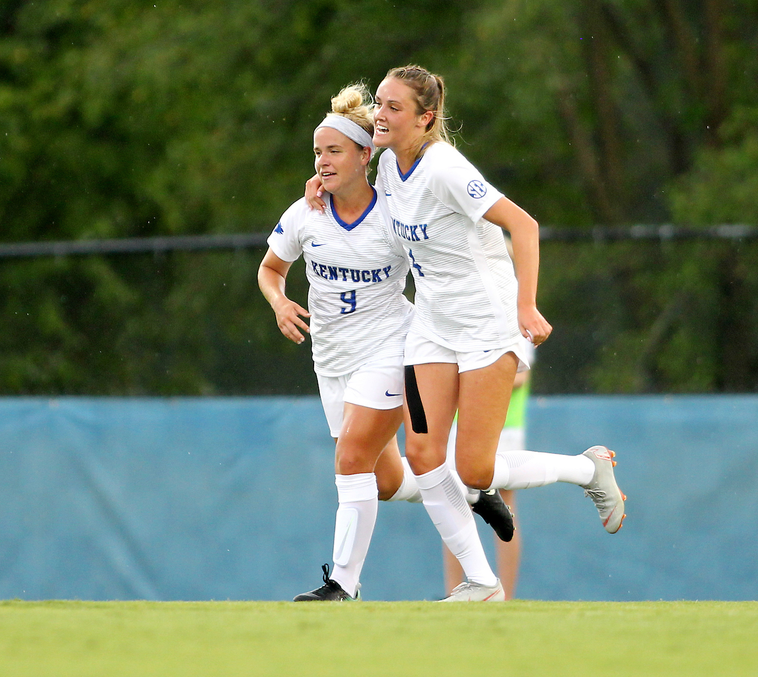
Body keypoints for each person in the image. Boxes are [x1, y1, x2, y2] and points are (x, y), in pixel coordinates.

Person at [360, 65, 626, 602]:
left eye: (393, 107)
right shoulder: (388, 164)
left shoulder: (445, 167)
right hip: (433, 321)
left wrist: (526, 305)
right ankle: (481, 582)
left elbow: (523, 225)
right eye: (378, 103)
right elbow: (345, 169)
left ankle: (586, 468)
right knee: (422, 452)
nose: (379, 115)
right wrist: (318, 189)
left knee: (474, 469)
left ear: (425, 118)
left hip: (486, 320)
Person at [260, 84, 511, 603]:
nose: (323, 162)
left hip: (392, 347)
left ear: (363, 155)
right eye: (317, 153)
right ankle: (488, 487)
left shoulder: (393, 213)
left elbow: (449, 247)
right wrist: (280, 302)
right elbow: (269, 270)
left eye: (334, 151)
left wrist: (492, 314)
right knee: (389, 481)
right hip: (331, 361)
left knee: (351, 458)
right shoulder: (307, 211)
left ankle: (343, 585)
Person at [443, 363, 531, 596]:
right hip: (461, 424)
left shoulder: (519, 325)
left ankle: (506, 595)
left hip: (504, 426)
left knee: (506, 508)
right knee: (453, 505)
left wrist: (474, 381)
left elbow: (520, 376)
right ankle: (455, 591)